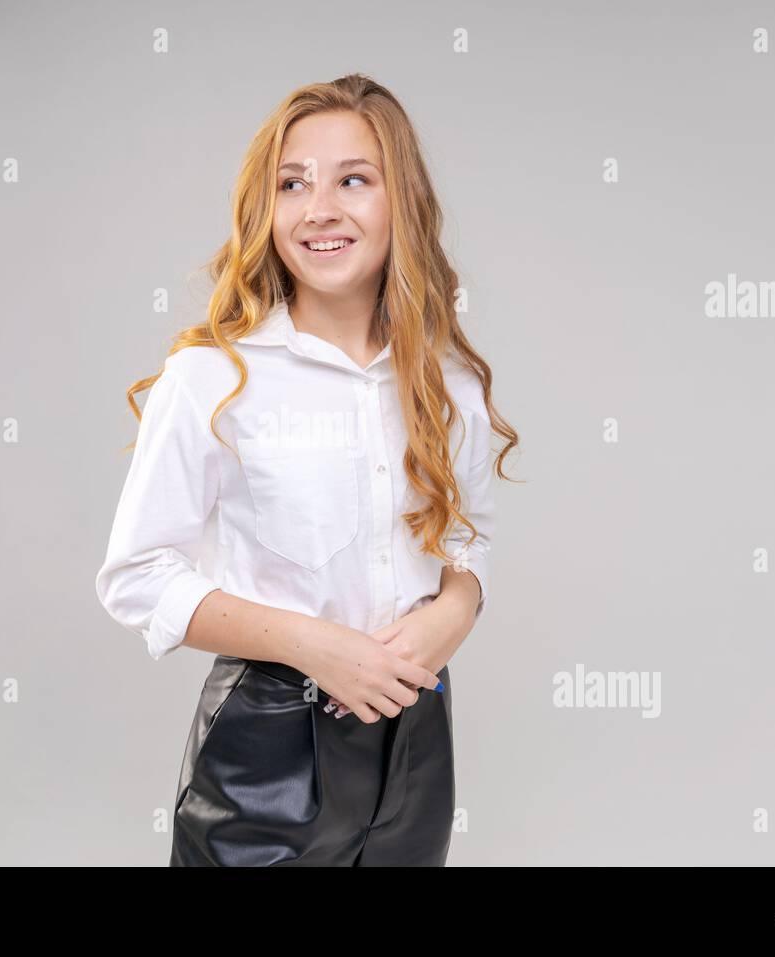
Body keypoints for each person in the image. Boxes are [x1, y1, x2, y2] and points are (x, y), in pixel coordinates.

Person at [96, 73, 518, 866]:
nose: (319, 207)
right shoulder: (213, 377)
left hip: (417, 744)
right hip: (269, 746)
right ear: (268, 209)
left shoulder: (445, 377)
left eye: (353, 179)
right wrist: (314, 645)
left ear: (404, 203)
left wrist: (453, 610)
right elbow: (136, 575)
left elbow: (469, 540)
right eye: (293, 184)